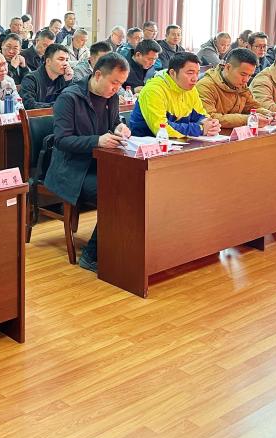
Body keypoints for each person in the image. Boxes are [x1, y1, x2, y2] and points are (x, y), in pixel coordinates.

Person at [44, 53, 133, 272]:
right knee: (117, 194)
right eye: (114, 82)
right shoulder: (69, 98)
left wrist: (119, 128)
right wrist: (97, 141)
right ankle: (92, 255)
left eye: (121, 84)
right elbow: (62, 140)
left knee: (136, 186)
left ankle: (122, 246)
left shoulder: (111, 97)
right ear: (98, 75)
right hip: (71, 170)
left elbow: (112, 123)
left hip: (99, 164)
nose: (117, 88)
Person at [128, 52, 222, 138]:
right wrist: (200, 129)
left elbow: (199, 115)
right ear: (172, 73)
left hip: (181, 142)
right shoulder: (153, 90)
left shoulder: (190, 89)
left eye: (197, 73)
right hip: (147, 143)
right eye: (190, 73)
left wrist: (210, 124)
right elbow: (162, 128)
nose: (195, 79)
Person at [196, 48, 274, 127]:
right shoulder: (205, 86)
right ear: (228, 67)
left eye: (249, 75)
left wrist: (268, 114)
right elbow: (209, 118)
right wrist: (247, 119)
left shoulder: (241, 85)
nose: (246, 80)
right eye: (243, 74)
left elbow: (252, 107)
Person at [20, 43, 73, 109]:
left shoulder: (65, 78)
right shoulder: (31, 79)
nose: (65, 63)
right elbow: (28, 104)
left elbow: (71, 102)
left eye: (67, 60)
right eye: (61, 59)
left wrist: (68, 81)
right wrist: (57, 106)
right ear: (48, 61)